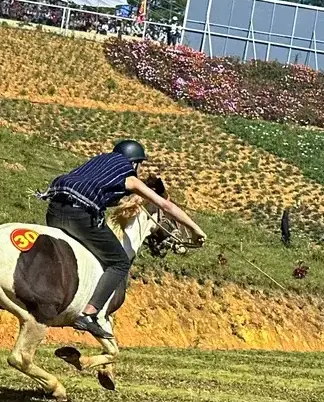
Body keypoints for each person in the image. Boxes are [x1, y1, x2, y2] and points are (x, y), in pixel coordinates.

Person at [38, 139, 207, 339]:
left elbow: (96, 191)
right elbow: (166, 206)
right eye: (139, 165)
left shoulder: (97, 162)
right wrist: (196, 230)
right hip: (80, 217)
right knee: (119, 262)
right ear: (134, 163)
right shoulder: (131, 178)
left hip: (54, 210)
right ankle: (89, 314)